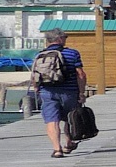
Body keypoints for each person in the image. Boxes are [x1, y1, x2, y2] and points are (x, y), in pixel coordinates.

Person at [34, 28, 86, 157]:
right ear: (59, 39)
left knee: (52, 120)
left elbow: (34, 76)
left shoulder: (39, 55)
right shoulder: (72, 53)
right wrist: (81, 93)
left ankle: (57, 149)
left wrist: (37, 89)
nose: (65, 40)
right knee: (71, 118)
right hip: (69, 92)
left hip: (47, 92)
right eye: (65, 37)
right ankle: (68, 143)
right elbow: (80, 74)